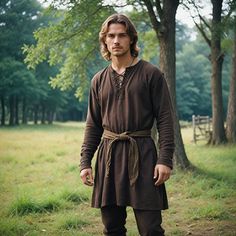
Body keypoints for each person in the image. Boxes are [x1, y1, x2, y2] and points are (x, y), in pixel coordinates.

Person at [80, 13, 175, 236]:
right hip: (109, 158)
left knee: (150, 228)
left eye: (122, 35)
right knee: (112, 227)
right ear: (104, 40)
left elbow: (165, 119)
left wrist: (164, 160)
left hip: (142, 155)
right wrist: (85, 162)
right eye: (111, 36)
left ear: (131, 39)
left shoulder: (151, 74)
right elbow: (93, 124)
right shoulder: (98, 80)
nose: (116, 41)